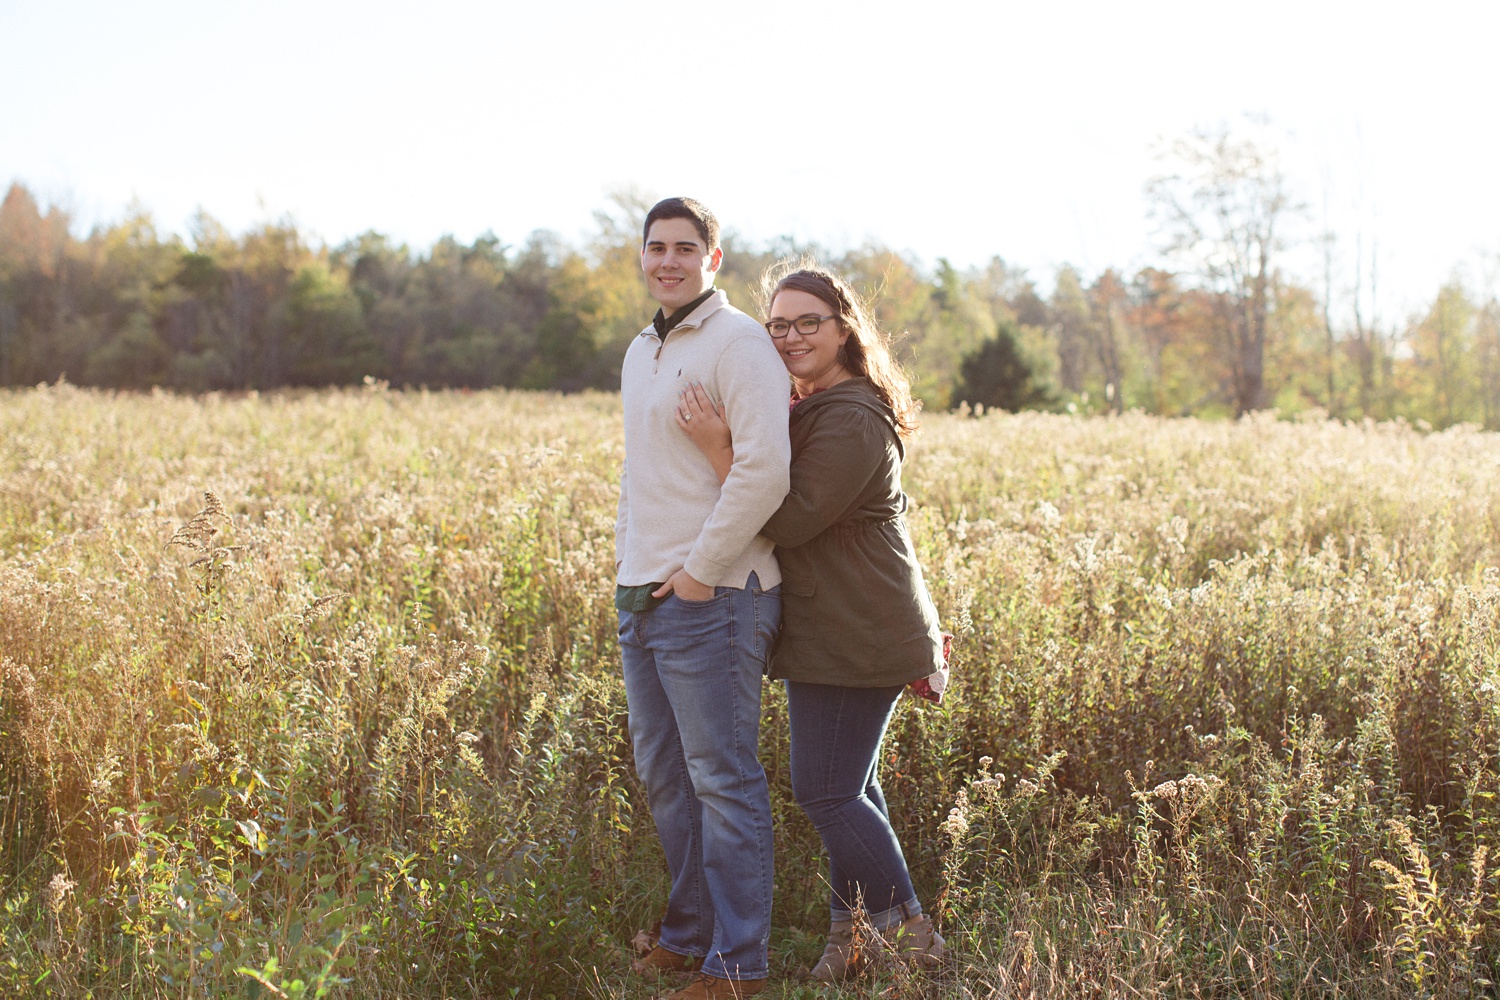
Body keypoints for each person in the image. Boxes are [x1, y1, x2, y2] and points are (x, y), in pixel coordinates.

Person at [675, 262, 947, 982]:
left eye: (808, 322)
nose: (790, 336)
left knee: (827, 791)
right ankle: (851, 937)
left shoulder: (852, 415)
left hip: (862, 631)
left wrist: (718, 449)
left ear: (843, 329)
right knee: (850, 787)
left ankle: (913, 931)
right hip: (834, 630)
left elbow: (791, 520)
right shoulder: (819, 405)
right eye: (778, 325)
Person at [615, 197, 790, 999]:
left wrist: (698, 572)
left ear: (713, 259)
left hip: (717, 595)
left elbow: (764, 473)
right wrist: (633, 573)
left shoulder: (741, 343)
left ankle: (740, 964)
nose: (670, 260)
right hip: (643, 599)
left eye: (687, 248)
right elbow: (644, 481)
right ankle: (689, 936)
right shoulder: (640, 351)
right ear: (643, 256)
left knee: (722, 778)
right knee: (666, 777)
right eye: (657, 247)